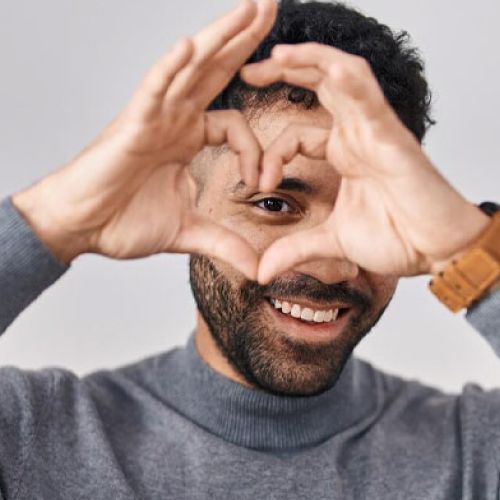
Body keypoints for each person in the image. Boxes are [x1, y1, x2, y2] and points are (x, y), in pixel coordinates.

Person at [0, 0, 499, 498]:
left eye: (368, 210)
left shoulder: (474, 454)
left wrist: (467, 246)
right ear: (191, 193)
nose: (331, 266)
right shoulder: (34, 440)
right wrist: (58, 220)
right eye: (273, 203)